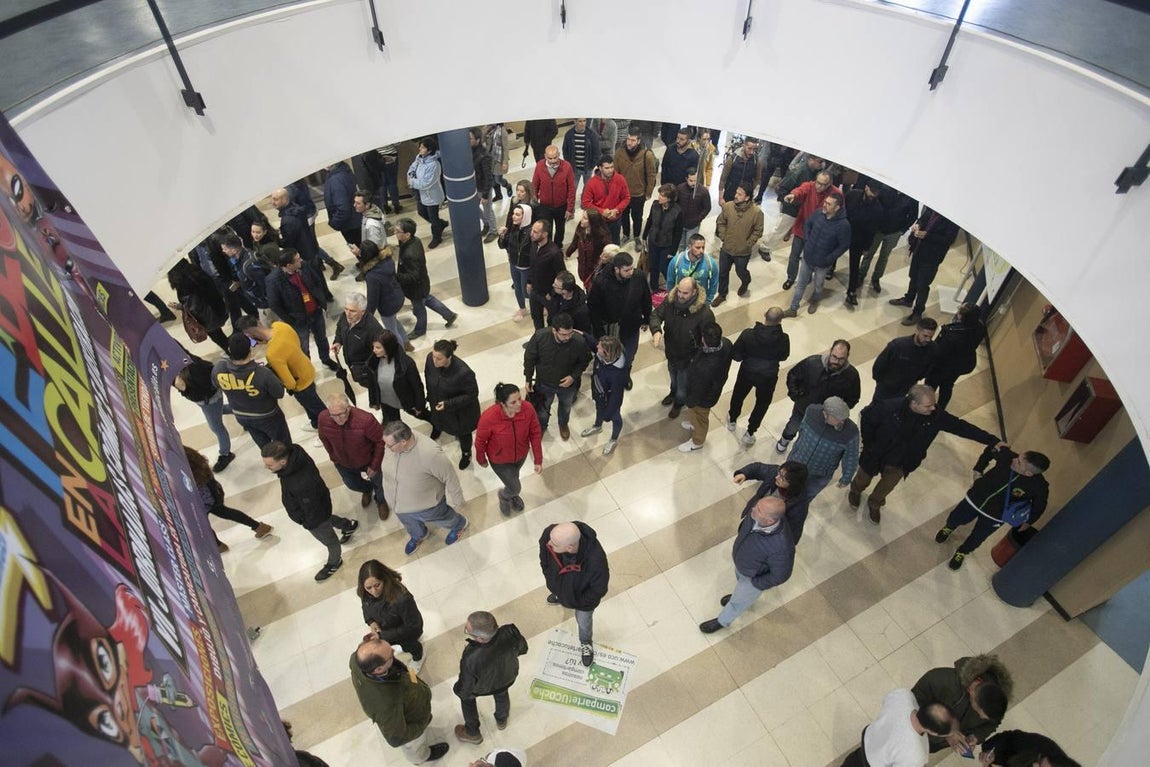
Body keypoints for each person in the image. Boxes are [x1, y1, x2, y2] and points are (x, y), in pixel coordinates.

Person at [852, 384, 1003, 525]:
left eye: (934, 404)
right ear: (913, 404)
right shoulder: (889, 408)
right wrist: (870, 444)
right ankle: (856, 491)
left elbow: (961, 427)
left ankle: (875, 503)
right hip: (876, 454)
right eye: (928, 406)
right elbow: (866, 417)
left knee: (887, 486)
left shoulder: (935, 416)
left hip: (901, 462)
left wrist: (991, 440)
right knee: (863, 477)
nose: (933, 408)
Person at [936, 446, 1050, 569]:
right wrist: (978, 470)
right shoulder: (1007, 457)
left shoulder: (1039, 487)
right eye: (1018, 457)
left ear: (1028, 473)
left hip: (996, 516)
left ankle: (962, 552)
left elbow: (1040, 505)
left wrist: (1029, 522)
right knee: (956, 517)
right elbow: (991, 449)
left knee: (978, 536)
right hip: (975, 499)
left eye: (1019, 462)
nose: (1014, 459)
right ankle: (948, 528)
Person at [261, 440, 358, 581]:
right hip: (319, 504)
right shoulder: (296, 456)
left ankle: (334, 562)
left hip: (312, 515)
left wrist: (306, 522)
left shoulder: (301, 483)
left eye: (269, 465)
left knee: (330, 540)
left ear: (282, 462)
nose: (266, 467)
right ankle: (347, 525)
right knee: (325, 518)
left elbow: (312, 511)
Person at [698, 495, 794, 633]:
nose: (753, 509)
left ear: (769, 520)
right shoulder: (758, 516)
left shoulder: (781, 546)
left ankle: (722, 621)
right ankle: (738, 595)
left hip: (754, 577)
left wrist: (757, 583)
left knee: (738, 602)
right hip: (743, 566)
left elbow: (781, 575)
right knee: (739, 585)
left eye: (759, 509)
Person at [350, 636, 449, 763]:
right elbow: (397, 738)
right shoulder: (387, 703)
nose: (393, 651)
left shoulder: (356, 660)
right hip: (413, 723)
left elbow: (362, 651)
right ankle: (421, 758)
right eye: (391, 655)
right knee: (415, 746)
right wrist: (421, 724)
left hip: (408, 688)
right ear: (378, 669)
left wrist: (368, 642)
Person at [381, 421, 469, 555]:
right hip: (398, 505)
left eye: (389, 445)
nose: (386, 447)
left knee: (444, 517)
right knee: (410, 524)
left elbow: (450, 477)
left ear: (403, 442)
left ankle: (459, 525)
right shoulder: (392, 448)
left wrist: (459, 501)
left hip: (427, 505)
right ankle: (419, 535)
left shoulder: (431, 453)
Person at [452, 611, 529, 745]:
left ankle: (472, 733)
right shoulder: (510, 632)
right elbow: (523, 649)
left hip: (482, 687)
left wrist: (460, 692)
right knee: (502, 695)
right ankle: (501, 719)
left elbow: (467, 685)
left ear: (480, 638)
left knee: (467, 700)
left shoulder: (470, 657)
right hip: (506, 678)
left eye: (468, 631)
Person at [539, 521, 609, 666]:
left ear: (570, 547)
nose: (550, 544)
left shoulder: (596, 561)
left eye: (554, 544)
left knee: (584, 623)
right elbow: (544, 554)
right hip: (559, 586)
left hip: (582, 601)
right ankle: (560, 596)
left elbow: (598, 589)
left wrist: (576, 602)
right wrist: (548, 574)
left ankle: (586, 643)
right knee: (560, 593)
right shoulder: (551, 534)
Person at [912, 655, 1013, 754]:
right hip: (915, 733)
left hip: (934, 744)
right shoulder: (939, 680)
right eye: (978, 713)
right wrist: (947, 733)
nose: (981, 717)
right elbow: (912, 705)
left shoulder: (996, 702)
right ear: (973, 693)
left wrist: (976, 736)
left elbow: (993, 723)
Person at [238, 317, 327, 429]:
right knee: (311, 404)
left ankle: (328, 428)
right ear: (258, 321)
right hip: (306, 367)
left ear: (249, 333)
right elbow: (294, 342)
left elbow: (290, 383)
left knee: (317, 408)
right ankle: (315, 423)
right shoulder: (281, 326)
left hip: (300, 383)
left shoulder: (272, 354)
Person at [776, 341, 861, 453]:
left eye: (841, 359)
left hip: (825, 417)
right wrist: (795, 395)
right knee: (793, 425)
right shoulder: (813, 363)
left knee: (814, 436)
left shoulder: (851, 375)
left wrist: (838, 412)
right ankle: (785, 439)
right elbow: (793, 375)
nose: (836, 362)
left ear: (847, 357)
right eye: (834, 357)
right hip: (803, 407)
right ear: (830, 351)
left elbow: (853, 397)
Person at [184, 446, 271, 552]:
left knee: (202, 524)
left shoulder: (186, 470)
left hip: (203, 501)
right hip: (213, 494)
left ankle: (219, 546)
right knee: (225, 512)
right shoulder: (193, 458)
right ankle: (259, 527)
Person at [650, 277, 715, 419]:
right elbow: (656, 314)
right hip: (671, 352)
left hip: (689, 359)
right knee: (673, 379)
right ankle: (672, 394)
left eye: (685, 293)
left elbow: (709, 339)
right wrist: (656, 330)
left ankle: (679, 403)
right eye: (679, 291)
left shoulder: (704, 313)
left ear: (694, 292)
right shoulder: (670, 301)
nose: (680, 295)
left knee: (682, 386)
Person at [474, 383, 543, 516]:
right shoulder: (489, 417)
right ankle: (505, 496)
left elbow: (535, 433)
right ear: (502, 403)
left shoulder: (528, 409)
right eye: (513, 402)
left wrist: (538, 459)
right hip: (500, 460)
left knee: (514, 478)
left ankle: (511, 493)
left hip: (520, 455)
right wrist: (481, 459)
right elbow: (480, 441)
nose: (519, 404)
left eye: (519, 399)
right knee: (515, 486)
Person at [213, 333, 291, 449]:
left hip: (241, 415)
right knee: (283, 446)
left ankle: (272, 462)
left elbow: (216, 385)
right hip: (268, 416)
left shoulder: (219, 368)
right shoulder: (263, 373)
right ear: (250, 350)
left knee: (265, 446)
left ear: (229, 350)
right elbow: (279, 393)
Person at [839, 689, 955, 767]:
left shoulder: (904, 696)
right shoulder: (917, 754)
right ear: (932, 732)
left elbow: (887, 700)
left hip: (866, 744)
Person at [318, 393, 389, 520]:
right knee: (351, 484)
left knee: (379, 483)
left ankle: (381, 501)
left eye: (341, 414)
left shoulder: (366, 420)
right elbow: (323, 438)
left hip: (368, 461)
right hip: (342, 462)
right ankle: (367, 489)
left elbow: (380, 441)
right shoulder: (323, 418)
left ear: (349, 408)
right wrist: (332, 455)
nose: (338, 418)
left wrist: (375, 465)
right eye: (333, 415)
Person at [266, 248, 339, 368]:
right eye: (297, 260)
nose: (301, 260)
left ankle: (326, 359)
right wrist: (290, 320)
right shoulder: (273, 280)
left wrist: (321, 300)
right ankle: (307, 366)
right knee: (303, 346)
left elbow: (317, 281)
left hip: (316, 311)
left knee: (322, 338)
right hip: (298, 319)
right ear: (289, 265)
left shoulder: (304, 266)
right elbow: (274, 304)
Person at [523, 313, 592, 439]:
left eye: (570, 333)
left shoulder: (578, 342)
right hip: (544, 382)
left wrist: (573, 376)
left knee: (565, 407)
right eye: (564, 334)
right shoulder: (540, 337)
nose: (568, 337)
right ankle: (542, 426)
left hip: (567, 384)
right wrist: (528, 378)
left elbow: (584, 360)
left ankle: (563, 424)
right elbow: (529, 358)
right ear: (554, 330)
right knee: (543, 408)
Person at [728, 306, 790, 445]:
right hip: (768, 376)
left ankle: (732, 419)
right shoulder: (784, 339)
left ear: (764, 315)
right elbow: (784, 356)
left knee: (738, 395)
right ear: (780, 320)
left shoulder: (748, 334)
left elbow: (736, 354)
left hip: (747, 371)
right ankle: (750, 432)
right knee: (762, 404)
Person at [889, 207, 961, 325]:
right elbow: (922, 220)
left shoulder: (951, 220)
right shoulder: (931, 209)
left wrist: (927, 235)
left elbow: (949, 239)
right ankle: (908, 299)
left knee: (922, 284)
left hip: (931, 257)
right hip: (918, 250)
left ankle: (918, 312)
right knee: (913, 276)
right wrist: (917, 225)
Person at [588, 251, 652, 384]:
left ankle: (625, 374)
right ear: (616, 269)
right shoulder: (601, 282)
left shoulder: (638, 277)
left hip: (631, 324)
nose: (631, 272)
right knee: (607, 355)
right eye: (626, 270)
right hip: (609, 327)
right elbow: (594, 309)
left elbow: (646, 298)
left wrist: (647, 318)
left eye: (632, 268)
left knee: (629, 355)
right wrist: (599, 332)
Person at [784, 191, 851, 316]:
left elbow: (844, 245)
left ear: (837, 208)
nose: (824, 205)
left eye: (828, 204)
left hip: (822, 263)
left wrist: (830, 258)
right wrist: (807, 240)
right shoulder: (818, 213)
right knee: (801, 283)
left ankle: (815, 300)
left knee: (818, 285)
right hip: (808, 257)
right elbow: (808, 224)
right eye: (825, 202)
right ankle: (793, 308)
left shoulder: (843, 225)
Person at [788, 397, 859, 507]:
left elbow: (851, 457)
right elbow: (802, 430)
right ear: (826, 414)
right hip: (796, 463)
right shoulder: (811, 411)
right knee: (787, 488)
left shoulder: (851, 432)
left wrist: (846, 478)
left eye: (844, 419)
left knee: (806, 497)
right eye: (838, 418)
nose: (842, 422)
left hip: (819, 474)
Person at [394, 218, 458, 339]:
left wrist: (397, 276)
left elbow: (414, 276)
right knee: (427, 299)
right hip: (422, 283)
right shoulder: (414, 240)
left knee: (419, 310)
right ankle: (449, 315)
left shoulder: (410, 254)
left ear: (407, 234)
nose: (395, 233)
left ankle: (420, 330)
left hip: (416, 288)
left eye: (398, 231)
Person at [358, 560, 425, 671]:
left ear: (384, 579)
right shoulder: (365, 593)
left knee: (411, 646)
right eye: (369, 588)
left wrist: (383, 636)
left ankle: (419, 658)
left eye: (377, 585)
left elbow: (412, 626)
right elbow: (365, 606)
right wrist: (370, 621)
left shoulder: (402, 598)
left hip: (406, 632)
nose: (374, 591)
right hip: (387, 629)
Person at [424, 339, 480, 470]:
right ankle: (438, 428)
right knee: (437, 419)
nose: (434, 361)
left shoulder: (464, 372)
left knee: (463, 434)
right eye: (433, 356)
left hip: (460, 413)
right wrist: (430, 395)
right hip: (437, 403)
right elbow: (428, 376)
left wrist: (448, 404)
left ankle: (466, 453)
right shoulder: (430, 359)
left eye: (439, 358)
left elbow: (472, 394)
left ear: (449, 357)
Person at [173, 352, 234, 472]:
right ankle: (242, 411)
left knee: (216, 427)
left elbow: (184, 386)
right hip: (209, 395)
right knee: (218, 411)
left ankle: (226, 454)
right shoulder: (189, 360)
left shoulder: (186, 369)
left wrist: (177, 384)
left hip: (208, 398)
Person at [679, 321, 734, 453]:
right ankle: (694, 423)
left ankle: (698, 440)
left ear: (703, 339)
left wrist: (690, 402)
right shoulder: (726, 344)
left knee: (700, 417)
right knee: (697, 415)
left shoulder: (705, 366)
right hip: (713, 389)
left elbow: (698, 389)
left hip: (703, 398)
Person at [781, 171, 840, 290]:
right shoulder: (810, 186)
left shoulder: (836, 194)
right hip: (802, 227)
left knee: (809, 258)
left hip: (819, 233)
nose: (820, 186)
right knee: (794, 255)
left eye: (824, 184)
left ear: (830, 184)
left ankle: (807, 278)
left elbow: (840, 212)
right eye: (818, 183)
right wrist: (793, 195)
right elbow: (800, 190)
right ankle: (790, 278)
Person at [761, 154, 823, 261]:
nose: (822, 164)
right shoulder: (798, 172)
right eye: (820, 161)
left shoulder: (816, 173)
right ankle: (765, 247)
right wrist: (788, 203)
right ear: (811, 160)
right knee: (780, 229)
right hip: (791, 207)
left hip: (803, 208)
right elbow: (782, 188)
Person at [926, 303, 986, 410]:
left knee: (930, 384)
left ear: (961, 317)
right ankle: (941, 408)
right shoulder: (980, 327)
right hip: (964, 364)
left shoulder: (951, 333)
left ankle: (927, 404)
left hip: (944, 365)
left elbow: (939, 352)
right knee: (947, 385)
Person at [713, 185, 765, 306]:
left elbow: (758, 230)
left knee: (741, 271)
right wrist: (723, 236)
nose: (736, 195)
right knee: (723, 273)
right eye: (736, 192)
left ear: (747, 197)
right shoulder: (728, 206)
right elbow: (721, 222)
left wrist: (748, 243)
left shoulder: (756, 212)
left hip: (743, 251)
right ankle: (722, 294)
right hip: (727, 248)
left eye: (740, 194)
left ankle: (746, 282)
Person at [861, 186, 919, 294]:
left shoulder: (912, 198)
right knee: (869, 253)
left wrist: (902, 230)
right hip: (878, 229)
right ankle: (861, 275)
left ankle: (876, 278)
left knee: (884, 257)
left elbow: (912, 216)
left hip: (894, 232)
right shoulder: (886, 189)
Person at [167, 258, 229, 350]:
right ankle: (233, 349)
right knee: (219, 334)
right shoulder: (196, 271)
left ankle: (233, 353)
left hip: (205, 316)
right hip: (217, 307)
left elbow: (192, 306)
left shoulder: (183, 284)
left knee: (218, 337)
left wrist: (179, 306)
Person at [367, 330, 427, 424]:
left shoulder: (406, 363)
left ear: (388, 347)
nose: (374, 350)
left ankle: (437, 425)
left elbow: (417, 386)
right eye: (373, 346)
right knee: (392, 425)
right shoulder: (374, 360)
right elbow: (372, 383)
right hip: (386, 402)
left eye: (378, 347)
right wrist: (374, 401)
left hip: (405, 400)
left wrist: (420, 405)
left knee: (423, 415)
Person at [581, 336, 627, 456]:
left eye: (600, 347)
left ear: (607, 352)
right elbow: (593, 342)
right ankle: (597, 426)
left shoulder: (617, 373)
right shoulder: (602, 355)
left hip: (611, 401)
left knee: (615, 418)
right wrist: (581, 334)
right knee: (598, 409)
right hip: (599, 393)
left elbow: (616, 397)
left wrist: (608, 414)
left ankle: (613, 439)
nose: (597, 347)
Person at [360, 240, 412, 349]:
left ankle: (401, 353)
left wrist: (368, 316)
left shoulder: (372, 276)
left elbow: (373, 298)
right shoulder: (388, 260)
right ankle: (407, 343)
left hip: (387, 305)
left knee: (392, 331)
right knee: (394, 322)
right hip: (397, 296)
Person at [872, 317, 938, 402]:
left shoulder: (933, 349)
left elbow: (928, 368)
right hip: (886, 386)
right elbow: (880, 364)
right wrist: (881, 382)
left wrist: (915, 379)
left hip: (906, 387)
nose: (928, 339)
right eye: (925, 336)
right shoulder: (898, 345)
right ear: (917, 331)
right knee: (877, 406)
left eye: (931, 336)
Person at [332, 292, 385, 395]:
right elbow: (339, 329)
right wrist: (338, 341)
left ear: (363, 311)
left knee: (376, 390)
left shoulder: (373, 329)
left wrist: (366, 369)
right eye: (346, 309)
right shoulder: (345, 316)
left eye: (352, 311)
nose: (347, 313)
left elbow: (382, 354)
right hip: (354, 367)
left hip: (367, 371)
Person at [844, 180, 885, 306]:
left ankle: (851, 291)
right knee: (833, 253)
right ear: (866, 187)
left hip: (858, 238)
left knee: (854, 265)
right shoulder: (852, 195)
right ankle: (830, 269)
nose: (873, 195)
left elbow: (871, 231)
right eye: (872, 191)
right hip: (843, 232)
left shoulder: (877, 208)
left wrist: (867, 247)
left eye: (876, 193)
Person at [613, 129, 657, 246]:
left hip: (638, 193)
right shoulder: (619, 153)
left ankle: (637, 236)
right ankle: (626, 234)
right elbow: (615, 174)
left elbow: (651, 174)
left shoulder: (647, 155)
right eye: (628, 139)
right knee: (624, 216)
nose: (629, 142)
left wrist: (648, 193)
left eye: (633, 140)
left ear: (638, 141)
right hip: (623, 194)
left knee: (637, 217)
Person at [641, 183, 684, 292]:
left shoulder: (677, 212)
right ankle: (654, 288)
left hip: (667, 244)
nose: (659, 197)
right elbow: (650, 220)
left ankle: (671, 288)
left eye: (662, 196)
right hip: (653, 240)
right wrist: (644, 236)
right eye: (659, 194)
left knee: (664, 268)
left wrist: (673, 251)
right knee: (653, 266)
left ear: (669, 199)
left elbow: (678, 233)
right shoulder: (655, 205)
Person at [407, 137, 448, 249]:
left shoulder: (434, 165)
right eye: (420, 146)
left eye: (423, 147)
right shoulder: (419, 158)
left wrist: (412, 182)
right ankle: (441, 224)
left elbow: (426, 183)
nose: (420, 148)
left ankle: (437, 237)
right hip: (421, 194)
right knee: (421, 212)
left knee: (433, 218)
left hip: (432, 196)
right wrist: (411, 177)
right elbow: (412, 168)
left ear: (429, 150)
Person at [531, 145, 576, 247]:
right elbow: (534, 186)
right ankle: (548, 248)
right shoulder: (539, 166)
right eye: (550, 158)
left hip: (561, 206)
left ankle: (558, 247)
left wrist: (570, 208)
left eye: (555, 157)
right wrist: (534, 204)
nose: (553, 160)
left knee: (560, 229)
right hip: (545, 206)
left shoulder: (567, 167)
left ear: (559, 155)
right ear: (545, 156)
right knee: (547, 230)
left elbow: (571, 189)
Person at [581, 154, 631, 243]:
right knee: (598, 244)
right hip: (598, 220)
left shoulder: (620, 179)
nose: (610, 170)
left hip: (615, 219)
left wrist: (616, 210)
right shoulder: (591, 183)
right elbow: (585, 203)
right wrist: (601, 211)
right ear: (600, 168)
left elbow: (626, 197)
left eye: (612, 167)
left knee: (614, 243)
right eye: (607, 168)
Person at [525, 220, 565, 331]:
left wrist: (552, 293)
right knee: (536, 318)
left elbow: (562, 275)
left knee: (552, 321)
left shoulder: (554, 253)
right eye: (532, 230)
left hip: (547, 294)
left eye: (536, 232)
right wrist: (529, 281)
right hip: (535, 290)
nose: (531, 233)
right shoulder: (533, 244)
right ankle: (538, 340)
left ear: (545, 234)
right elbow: (531, 265)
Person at [498, 203, 533, 321]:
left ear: (525, 216)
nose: (513, 216)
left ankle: (540, 307)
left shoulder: (532, 233)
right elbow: (502, 246)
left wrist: (530, 279)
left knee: (528, 291)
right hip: (514, 265)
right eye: (513, 214)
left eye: (517, 214)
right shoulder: (512, 229)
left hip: (526, 268)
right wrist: (502, 236)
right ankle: (522, 308)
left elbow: (534, 256)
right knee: (518, 288)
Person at [666, 233, 719, 304]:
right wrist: (672, 299)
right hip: (681, 299)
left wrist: (707, 301)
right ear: (689, 247)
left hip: (700, 302)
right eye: (697, 247)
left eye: (703, 247)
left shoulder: (711, 263)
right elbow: (670, 282)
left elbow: (714, 284)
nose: (701, 251)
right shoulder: (676, 261)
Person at [565, 208, 611, 289]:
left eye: (585, 218)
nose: (581, 220)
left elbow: (607, 256)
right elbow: (575, 242)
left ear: (592, 222)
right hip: (583, 266)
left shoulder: (603, 237)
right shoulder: (581, 227)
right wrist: (568, 253)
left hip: (594, 270)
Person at [979, 731, 1080, 767]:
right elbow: (1009, 738)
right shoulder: (1041, 746)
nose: (1035, 765)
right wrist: (990, 753)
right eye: (1040, 761)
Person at [323, 160, 362, 246]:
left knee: (359, 250)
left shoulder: (335, 179)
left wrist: (335, 223)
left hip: (349, 224)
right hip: (356, 217)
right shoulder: (345, 169)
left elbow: (343, 209)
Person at [469, 128, 498, 242]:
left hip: (483, 187)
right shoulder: (469, 151)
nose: (468, 141)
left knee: (487, 209)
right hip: (474, 187)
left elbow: (488, 177)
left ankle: (493, 231)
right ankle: (486, 224)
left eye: (470, 138)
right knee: (474, 208)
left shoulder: (484, 155)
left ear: (477, 139)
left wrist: (485, 195)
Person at [561, 117, 601, 197]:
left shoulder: (592, 135)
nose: (583, 123)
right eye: (580, 121)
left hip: (587, 168)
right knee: (572, 188)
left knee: (587, 188)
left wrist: (592, 165)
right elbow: (565, 150)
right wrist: (569, 164)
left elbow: (597, 151)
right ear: (574, 121)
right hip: (574, 168)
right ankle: (571, 206)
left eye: (584, 121)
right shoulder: (569, 134)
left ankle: (584, 203)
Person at [676, 168, 712, 249]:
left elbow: (707, 207)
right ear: (686, 179)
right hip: (680, 223)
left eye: (695, 181)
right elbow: (675, 203)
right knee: (680, 245)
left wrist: (698, 219)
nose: (693, 183)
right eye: (691, 181)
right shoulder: (680, 188)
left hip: (693, 225)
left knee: (690, 247)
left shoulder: (703, 192)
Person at [718, 137, 760, 204]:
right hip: (730, 194)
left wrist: (749, 190)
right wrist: (720, 197)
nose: (752, 152)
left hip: (744, 198)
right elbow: (723, 178)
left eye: (754, 149)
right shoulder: (732, 159)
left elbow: (757, 179)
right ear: (743, 146)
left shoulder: (756, 161)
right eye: (749, 148)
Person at [484, 123, 514, 202]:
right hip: (490, 158)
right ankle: (498, 195)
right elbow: (484, 141)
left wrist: (505, 162)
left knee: (498, 179)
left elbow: (505, 147)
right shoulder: (490, 129)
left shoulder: (502, 131)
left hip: (499, 159)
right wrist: (486, 130)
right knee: (493, 180)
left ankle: (508, 186)